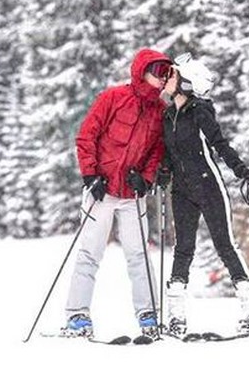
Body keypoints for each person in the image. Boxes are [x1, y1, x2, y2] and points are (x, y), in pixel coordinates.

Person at [61, 48, 173, 339]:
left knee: (139, 254)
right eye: (157, 72)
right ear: (141, 71)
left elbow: (156, 151)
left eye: (165, 74)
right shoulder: (113, 98)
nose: (161, 79)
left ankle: (148, 314)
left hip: (131, 195)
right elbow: (87, 136)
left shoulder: (160, 111)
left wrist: (146, 178)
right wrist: (90, 174)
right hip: (102, 190)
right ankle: (77, 316)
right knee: (89, 253)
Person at [158, 52, 249, 335]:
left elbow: (219, 144)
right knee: (183, 250)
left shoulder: (200, 111)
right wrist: (163, 170)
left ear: (187, 82)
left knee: (225, 245)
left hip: (209, 186)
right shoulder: (168, 115)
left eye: (171, 74)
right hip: (182, 190)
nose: (166, 78)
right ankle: (176, 318)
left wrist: (242, 170)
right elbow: (171, 154)